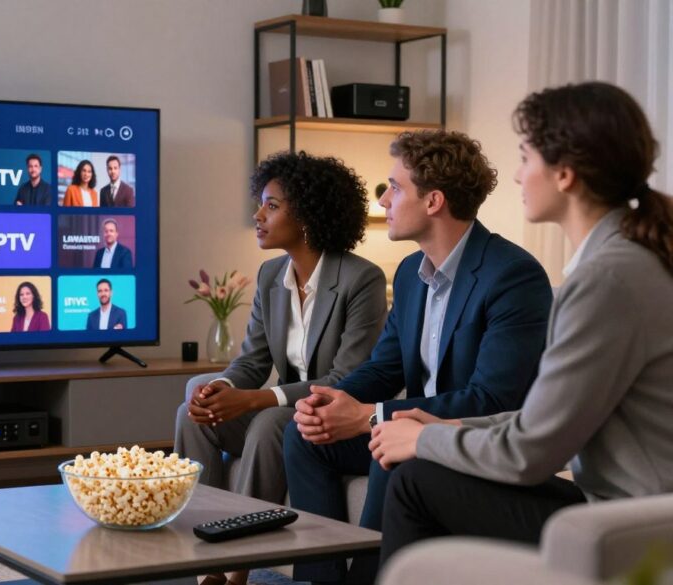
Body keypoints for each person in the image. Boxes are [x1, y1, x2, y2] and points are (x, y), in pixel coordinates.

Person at [371, 82, 673, 573]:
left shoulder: (607, 278)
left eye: (525, 157)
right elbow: (544, 419)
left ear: (565, 175)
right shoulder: (621, 259)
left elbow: (531, 453)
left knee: (416, 478)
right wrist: (447, 425)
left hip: (631, 523)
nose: (516, 175)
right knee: (420, 463)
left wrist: (424, 441)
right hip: (633, 509)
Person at [283, 130, 554, 585]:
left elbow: (492, 398)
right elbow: (386, 366)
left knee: (395, 445)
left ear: (434, 202)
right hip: (409, 426)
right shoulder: (410, 272)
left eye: (395, 186)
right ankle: (321, 579)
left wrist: (373, 416)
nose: (384, 199)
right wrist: (330, 401)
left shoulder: (513, 276)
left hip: (468, 439)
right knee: (304, 436)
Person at [176, 151, 388, 585]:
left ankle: (237, 570)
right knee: (192, 409)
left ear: (308, 213)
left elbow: (345, 377)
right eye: (261, 203)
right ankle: (202, 568)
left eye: (271, 205)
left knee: (271, 421)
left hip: (328, 413)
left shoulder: (360, 279)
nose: (258, 215)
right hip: (284, 406)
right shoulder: (271, 275)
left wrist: (255, 398)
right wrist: (218, 387)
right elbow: (252, 362)